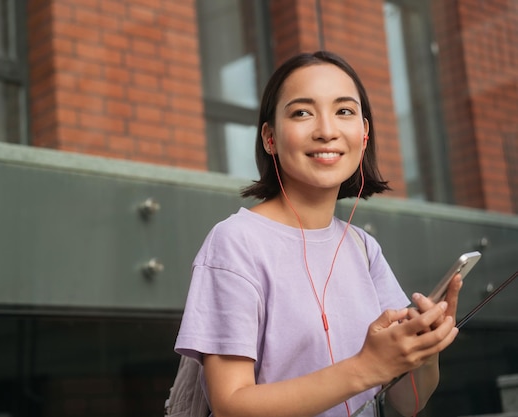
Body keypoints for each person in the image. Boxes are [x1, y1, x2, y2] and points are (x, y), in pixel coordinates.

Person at [174, 51, 462, 417]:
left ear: (364, 132)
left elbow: (407, 402)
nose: (327, 130)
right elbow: (232, 405)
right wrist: (366, 367)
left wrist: (423, 349)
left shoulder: (363, 248)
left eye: (344, 111)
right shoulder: (236, 242)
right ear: (270, 138)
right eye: (302, 112)